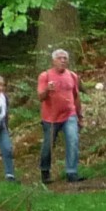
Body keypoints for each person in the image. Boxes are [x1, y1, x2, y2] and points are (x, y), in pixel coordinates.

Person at [38, 48, 84, 183]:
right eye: (60, 58)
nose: (63, 61)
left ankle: (72, 172)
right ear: (53, 61)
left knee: (73, 141)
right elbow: (40, 97)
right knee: (48, 146)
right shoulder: (45, 76)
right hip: (50, 118)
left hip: (70, 115)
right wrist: (48, 89)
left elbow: (76, 96)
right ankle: (45, 171)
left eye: (65, 58)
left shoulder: (73, 76)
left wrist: (80, 116)